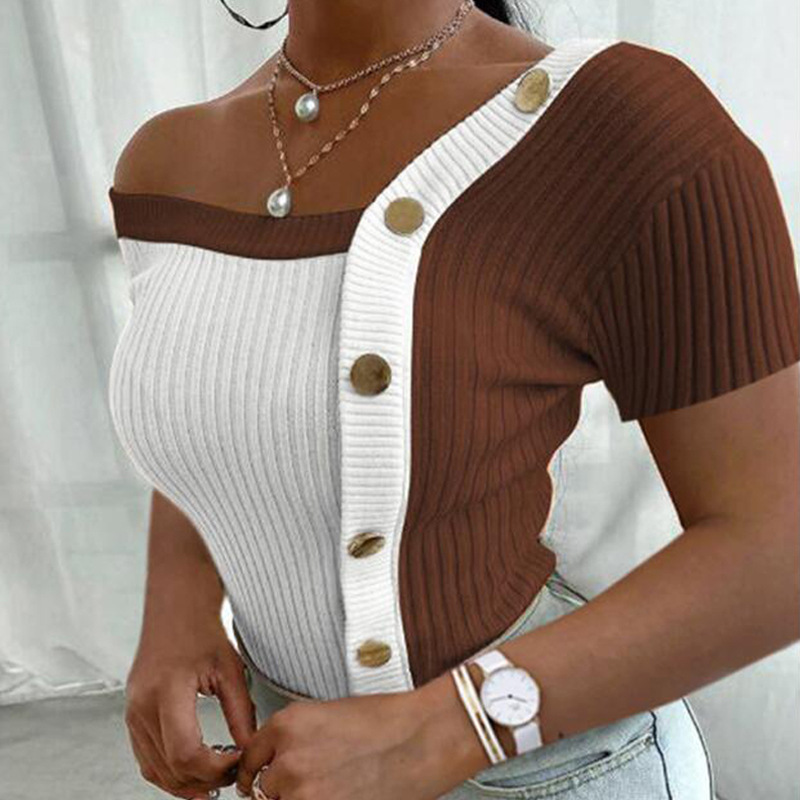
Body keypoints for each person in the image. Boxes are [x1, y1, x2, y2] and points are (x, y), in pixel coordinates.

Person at [107, 1, 800, 798]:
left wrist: (450, 726)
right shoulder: (164, 159)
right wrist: (177, 613)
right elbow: (226, 405)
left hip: (552, 773)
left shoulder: (618, 126)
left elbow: (778, 545)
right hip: (290, 767)